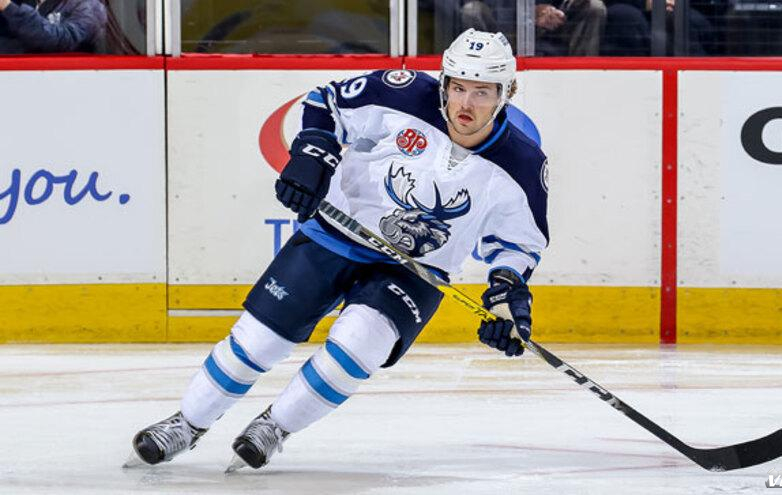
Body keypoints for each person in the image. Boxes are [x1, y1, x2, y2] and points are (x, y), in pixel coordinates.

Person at [126, 28, 549, 472]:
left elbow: (518, 243)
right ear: (443, 82)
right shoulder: (401, 93)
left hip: (413, 272)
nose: (465, 104)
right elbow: (325, 102)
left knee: (358, 346)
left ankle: (275, 427)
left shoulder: (523, 165)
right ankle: (187, 423)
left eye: (481, 92)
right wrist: (313, 156)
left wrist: (507, 294)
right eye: (458, 87)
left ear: (506, 93)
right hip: (335, 235)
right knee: (259, 341)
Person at [459, 0, 606, 56]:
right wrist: (528, 12)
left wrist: (563, 10)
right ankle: (481, 71)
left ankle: (582, 72)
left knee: (594, 6)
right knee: (472, 10)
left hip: (558, 27)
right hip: (504, 31)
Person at [0, 0, 107, 54]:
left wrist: (8, 7)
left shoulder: (89, 5)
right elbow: (17, 43)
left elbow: (63, 41)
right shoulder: (31, 2)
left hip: (68, 80)